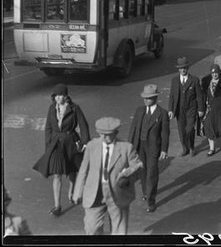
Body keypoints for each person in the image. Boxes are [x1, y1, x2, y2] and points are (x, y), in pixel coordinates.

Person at [73, 117, 143, 235]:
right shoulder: (91, 146)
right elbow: (83, 170)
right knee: (92, 228)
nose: (104, 137)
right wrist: (77, 192)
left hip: (118, 192)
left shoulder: (126, 147)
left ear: (116, 133)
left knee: (119, 230)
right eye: (101, 134)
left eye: (108, 135)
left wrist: (127, 176)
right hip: (95, 193)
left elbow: (139, 167)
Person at [33, 84, 90, 217]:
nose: (58, 98)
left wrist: (85, 143)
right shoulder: (52, 108)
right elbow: (48, 127)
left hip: (70, 141)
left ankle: (72, 190)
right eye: (56, 96)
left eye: (61, 95)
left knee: (72, 169)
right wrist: (48, 146)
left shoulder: (74, 108)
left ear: (66, 96)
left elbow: (83, 125)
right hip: (55, 144)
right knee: (57, 174)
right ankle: (57, 205)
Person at [128, 84, 170, 213]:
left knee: (152, 173)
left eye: (149, 98)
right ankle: (146, 192)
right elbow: (133, 129)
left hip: (153, 148)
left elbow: (165, 133)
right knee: (143, 171)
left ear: (156, 98)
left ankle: (151, 201)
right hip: (139, 145)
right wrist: (129, 146)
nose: (146, 100)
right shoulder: (139, 110)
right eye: (145, 98)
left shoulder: (162, 114)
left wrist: (164, 149)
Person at [167, 57, 205, 157]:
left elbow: (199, 96)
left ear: (188, 68)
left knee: (189, 129)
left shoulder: (194, 80)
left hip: (191, 109)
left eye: (185, 68)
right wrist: (170, 109)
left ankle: (192, 147)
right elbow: (172, 96)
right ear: (178, 69)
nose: (183, 70)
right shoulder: (174, 80)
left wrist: (201, 109)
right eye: (181, 68)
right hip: (179, 109)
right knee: (181, 130)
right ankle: (185, 148)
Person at [200, 65, 221, 156]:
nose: (214, 75)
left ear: (219, 73)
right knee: (209, 127)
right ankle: (212, 148)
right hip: (210, 109)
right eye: (213, 73)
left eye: (216, 73)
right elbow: (203, 96)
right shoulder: (207, 83)